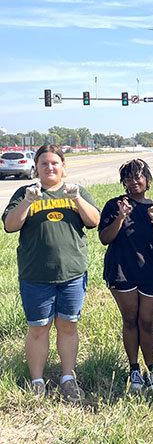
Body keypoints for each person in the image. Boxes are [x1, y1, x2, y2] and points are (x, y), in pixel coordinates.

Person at [2, 144, 100, 401]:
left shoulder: (75, 192)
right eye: (44, 163)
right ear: (36, 167)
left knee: (68, 326)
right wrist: (27, 202)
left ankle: (68, 378)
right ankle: (37, 381)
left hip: (72, 273)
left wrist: (77, 198)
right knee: (38, 329)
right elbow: (10, 226)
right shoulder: (25, 193)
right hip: (35, 275)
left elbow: (94, 221)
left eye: (54, 163)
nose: (49, 167)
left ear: (63, 166)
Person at [98, 159, 153, 392]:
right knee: (130, 320)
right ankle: (134, 369)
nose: (133, 182)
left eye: (137, 177)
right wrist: (120, 217)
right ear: (124, 182)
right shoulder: (114, 205)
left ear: (147, 180)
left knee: (147, 322)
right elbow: (104, 238)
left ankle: (151, 370)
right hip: (121, 271)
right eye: (128, 178)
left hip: (151, 272)